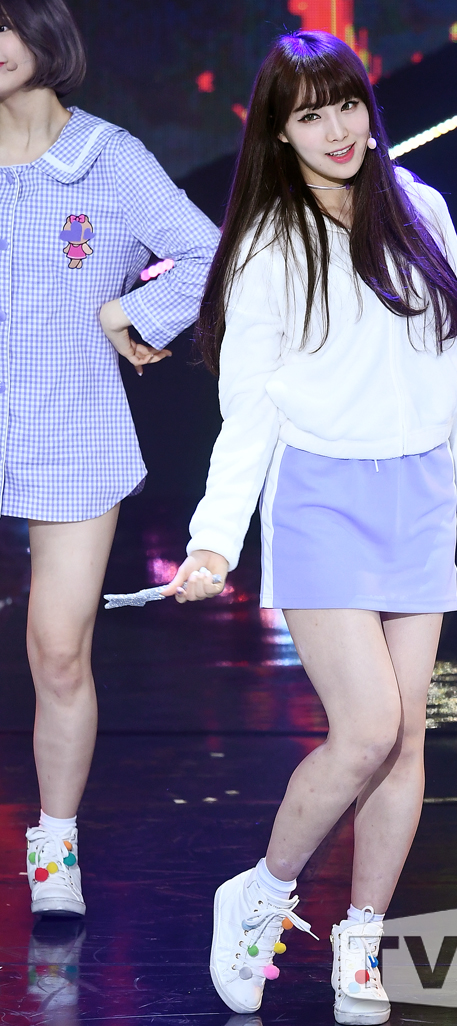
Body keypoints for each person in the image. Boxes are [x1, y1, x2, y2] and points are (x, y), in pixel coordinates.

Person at [163, 29, 457, 1024]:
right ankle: (262, 892)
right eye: (309, 114)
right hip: (321, 496)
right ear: (279, 133)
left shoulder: (423, 210)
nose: (334, 129)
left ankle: (361, 940)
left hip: (420, 498)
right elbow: (248, 412)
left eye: (345, 105)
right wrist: (213, 539)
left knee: (406, 743)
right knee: (368, 728)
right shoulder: (268, 245)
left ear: (369, 108)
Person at [0, 0, 219, 917]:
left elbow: (206, 254)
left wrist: (133, 314)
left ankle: (55, 844)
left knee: (58, 652)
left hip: (71, 428)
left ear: (39, 31)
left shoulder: (107, 157)